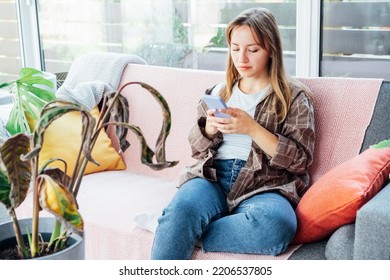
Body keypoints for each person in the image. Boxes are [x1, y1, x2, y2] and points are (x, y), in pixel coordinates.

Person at [150, 7, 315, 260]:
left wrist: (252, 129)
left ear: (270, 49)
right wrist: (208, 129)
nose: (242, 58)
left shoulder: (293, 97)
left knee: (277, 227)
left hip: (266, 184)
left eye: (253, 49)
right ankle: (177, 225)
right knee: (182, 210)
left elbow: (301, 160)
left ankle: (175, 230)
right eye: (235, 48)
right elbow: (197, 149)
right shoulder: (218, 92)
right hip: (213, 176)